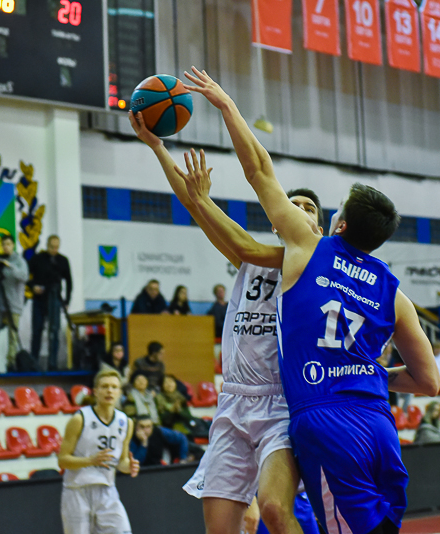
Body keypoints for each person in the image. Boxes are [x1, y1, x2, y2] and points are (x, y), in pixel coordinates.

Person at [183, 67, 440, 533]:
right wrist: (369, 374)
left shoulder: (310, 249)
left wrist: (227, 105)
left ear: (338, 225)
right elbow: (429, 382)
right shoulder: (394, 292)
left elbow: (258, 170)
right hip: (379, 425)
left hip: (326, 421)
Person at [131, 109, 324, 534]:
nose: (298, 209)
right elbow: (194, 205)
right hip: (233, 401)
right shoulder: (251, 257)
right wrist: (158, 147)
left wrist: (203, 199)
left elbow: (209, 210)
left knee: (274, 511)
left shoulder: (317, 264)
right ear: (277, 218)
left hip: (280, 403)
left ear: (319, 227)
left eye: (308, 208)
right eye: (292, 204)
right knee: (220, 527)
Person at [58, 368, 140, 534]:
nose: (109, 391)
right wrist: (90, 460)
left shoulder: (126, 422)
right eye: (104, 386)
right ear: (95, 391)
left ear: (120, 392)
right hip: (77, 490)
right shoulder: (79, 419)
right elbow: (63, 460)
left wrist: (129, 467)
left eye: (114, 387)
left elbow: (121, 462)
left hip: (107, 490)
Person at [28, 235, 72, 371]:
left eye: (56, 247)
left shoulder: (63, 260)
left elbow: (69, 281)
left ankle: (53, 363)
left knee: (54, 331)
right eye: (52, 247)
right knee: (37, 330)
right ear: (47, 245)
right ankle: (34, 362)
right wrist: (33, 286)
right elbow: (26, 276)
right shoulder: (37, 259)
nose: (54, 250)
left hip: (55, 299)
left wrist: (67, 301)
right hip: (39, 299)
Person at [0, 235, 29, 372]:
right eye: (3, 244)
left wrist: (10, 266)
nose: (6, 247)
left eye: (8, 244)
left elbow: (24, 277)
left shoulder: (19, 262)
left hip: (14, 304)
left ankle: (10, 363)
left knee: (12, 335)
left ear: (13, 245)